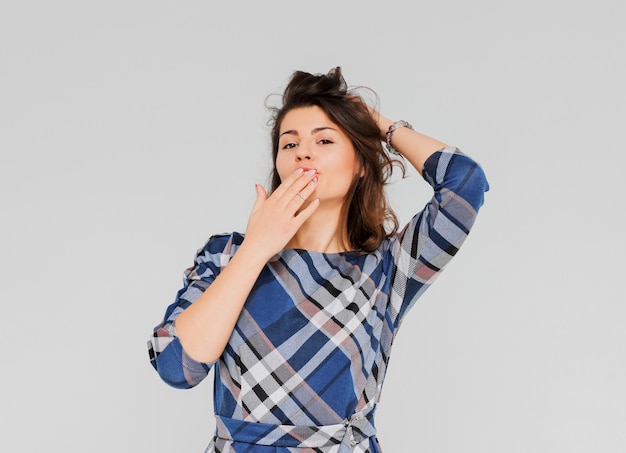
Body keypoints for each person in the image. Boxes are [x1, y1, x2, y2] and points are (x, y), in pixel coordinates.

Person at [148, 66, 489, 452]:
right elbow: (176, 367)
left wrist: (377, 125)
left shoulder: (388, 267)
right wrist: (257, 248)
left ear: (361, 163)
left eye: (325, 140)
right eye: (289, 144)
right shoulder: (227, 253)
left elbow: (466, 182)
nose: (304, 152)